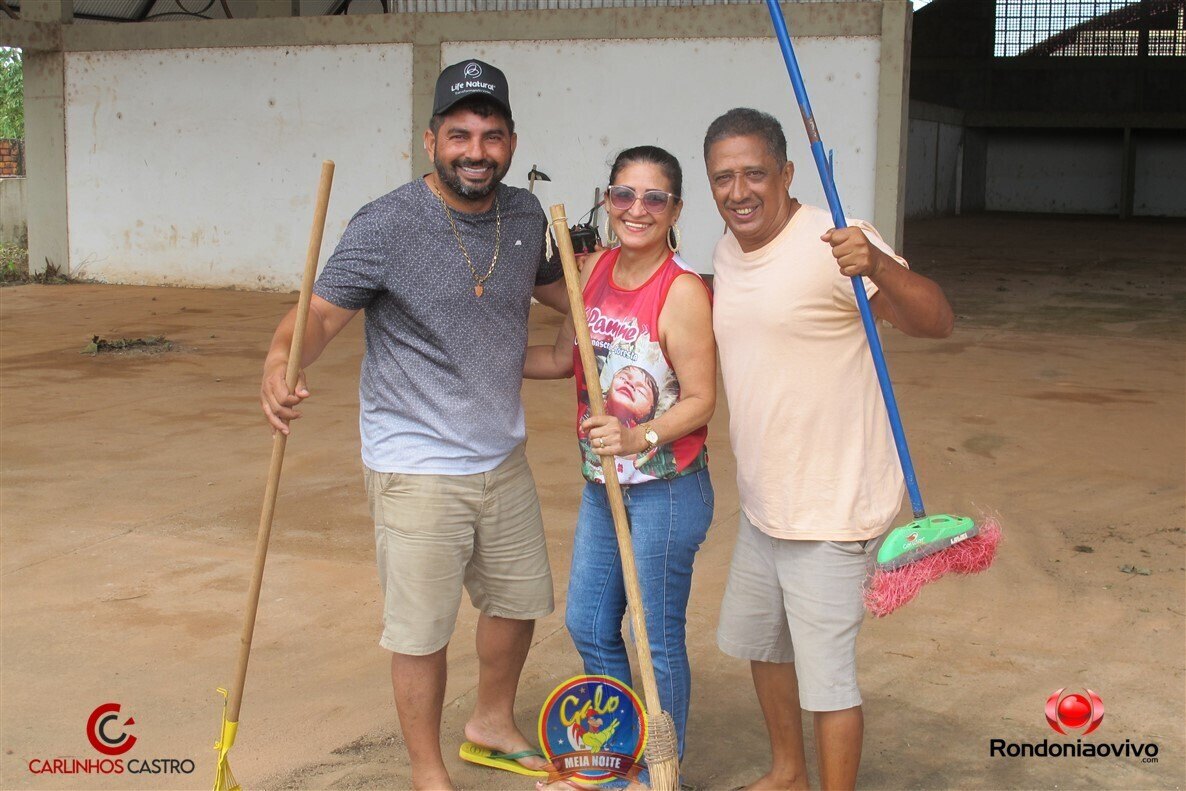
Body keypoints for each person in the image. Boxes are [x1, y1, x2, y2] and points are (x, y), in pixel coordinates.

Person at [259, 60, 571, 791]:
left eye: (491, 136)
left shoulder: (525, 216)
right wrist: (281, 363)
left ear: (512, 142)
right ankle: (428, 771)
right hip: (415, 461)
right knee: (421, 629)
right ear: (430, 140)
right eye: (459, 133)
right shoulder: (388, 222)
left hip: (502, 452)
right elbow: (317, 320)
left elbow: (577, 299)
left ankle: (491, 721)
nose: (476, 150)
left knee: (519, 602)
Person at [704, 108, 954, 791]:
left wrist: (875, 264)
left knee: (828, 681)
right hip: (765, 503)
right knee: (765, 646)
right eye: (723, 177)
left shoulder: (836, 240)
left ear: (786, 173)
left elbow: (935, 318)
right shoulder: (727, 252)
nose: (739, 190)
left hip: (834, 505)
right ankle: (787, 770)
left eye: (755, 172)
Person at [524, 146, 717, 789]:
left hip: (667, 488)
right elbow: (559, 360)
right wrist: (476, 357)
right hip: (602, 485)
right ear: (607, 200)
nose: (637, 209)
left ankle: (663, 766)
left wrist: (639, 437)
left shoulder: (682, 290)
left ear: (675, 210)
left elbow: (701, 400)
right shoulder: (592, 271)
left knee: (655, 637)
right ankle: (620, 750)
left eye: (654, 198)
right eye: (624, 195)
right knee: (587, 622)